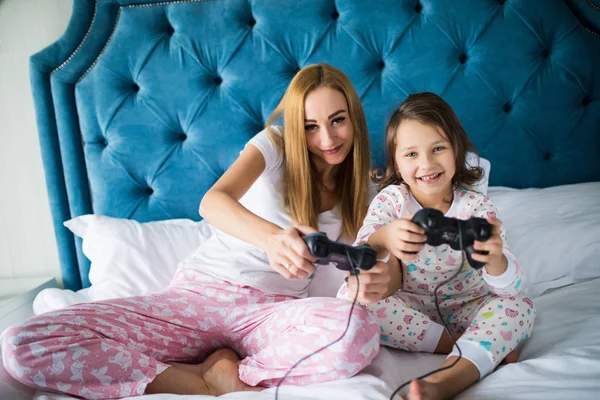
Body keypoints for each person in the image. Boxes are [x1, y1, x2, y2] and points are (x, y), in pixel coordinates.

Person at [1, 64, 382, 399]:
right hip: (200, 298)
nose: (327, 140)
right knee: (22, 344)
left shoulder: (366, 191)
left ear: (355, 118)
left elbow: (375, 257)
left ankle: (239, 372)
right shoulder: (274, 145)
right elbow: (213, 202)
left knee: (358, 330)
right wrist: (272, 238)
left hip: (273, 318)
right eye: (310, 126)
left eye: (338, 120)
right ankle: (200, 382)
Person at [337, 92, 536, 400]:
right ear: (397, 164)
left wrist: (495, 256)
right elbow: (363, 250)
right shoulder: (392, 201)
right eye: (411, 154)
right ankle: (467, 346)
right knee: (351, 295)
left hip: (471, 307)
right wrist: (386, 237)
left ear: (456, 151)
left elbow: (511, 287)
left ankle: (447, 380)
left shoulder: (475, 206)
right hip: (411, 310)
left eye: (438, 148)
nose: (427, 164)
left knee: (519, 306)